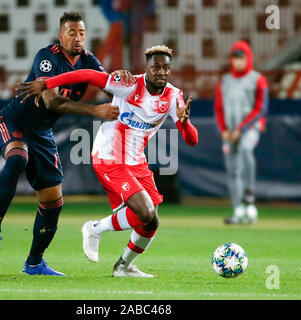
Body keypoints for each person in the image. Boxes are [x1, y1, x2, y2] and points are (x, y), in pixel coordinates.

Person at [15, 45, 199, 277]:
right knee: (146, 212)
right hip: (109, 156)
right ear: (147, 68)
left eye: (166, 68)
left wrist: (184, 122)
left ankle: (123, 267)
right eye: (156, 67)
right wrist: (47, 83)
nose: (161, 72)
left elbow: (191, 140)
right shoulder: (129, 84)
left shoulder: (173, 96)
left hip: (136, 161)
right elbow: (88, 75)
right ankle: (94, 228)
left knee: (151, 222)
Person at [0, 11, 133, 276]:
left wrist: (123, 80)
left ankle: (33, 263)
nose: (78, 38)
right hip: (15, 120)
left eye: (82, 33)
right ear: (61, 36)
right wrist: (96, 111)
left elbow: (110, 87)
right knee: (18, 157)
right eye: (72, 33)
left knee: (53, 202)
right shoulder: (47, 57)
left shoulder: (88, 60)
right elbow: (52, 101)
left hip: (42, 132)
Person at [213, 40, 269, 224]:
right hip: (230, 131)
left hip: (250, 128)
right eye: (235, 58)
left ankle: (250, 197)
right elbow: (219, 108)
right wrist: (223, 130)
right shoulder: (225, 80)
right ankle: (238, 210)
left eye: (241, 58)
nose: (238, 62)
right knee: (232, 170)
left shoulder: (257, 79)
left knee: (246, 150)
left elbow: (261, 108)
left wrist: (242, 129)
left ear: (248, 58)